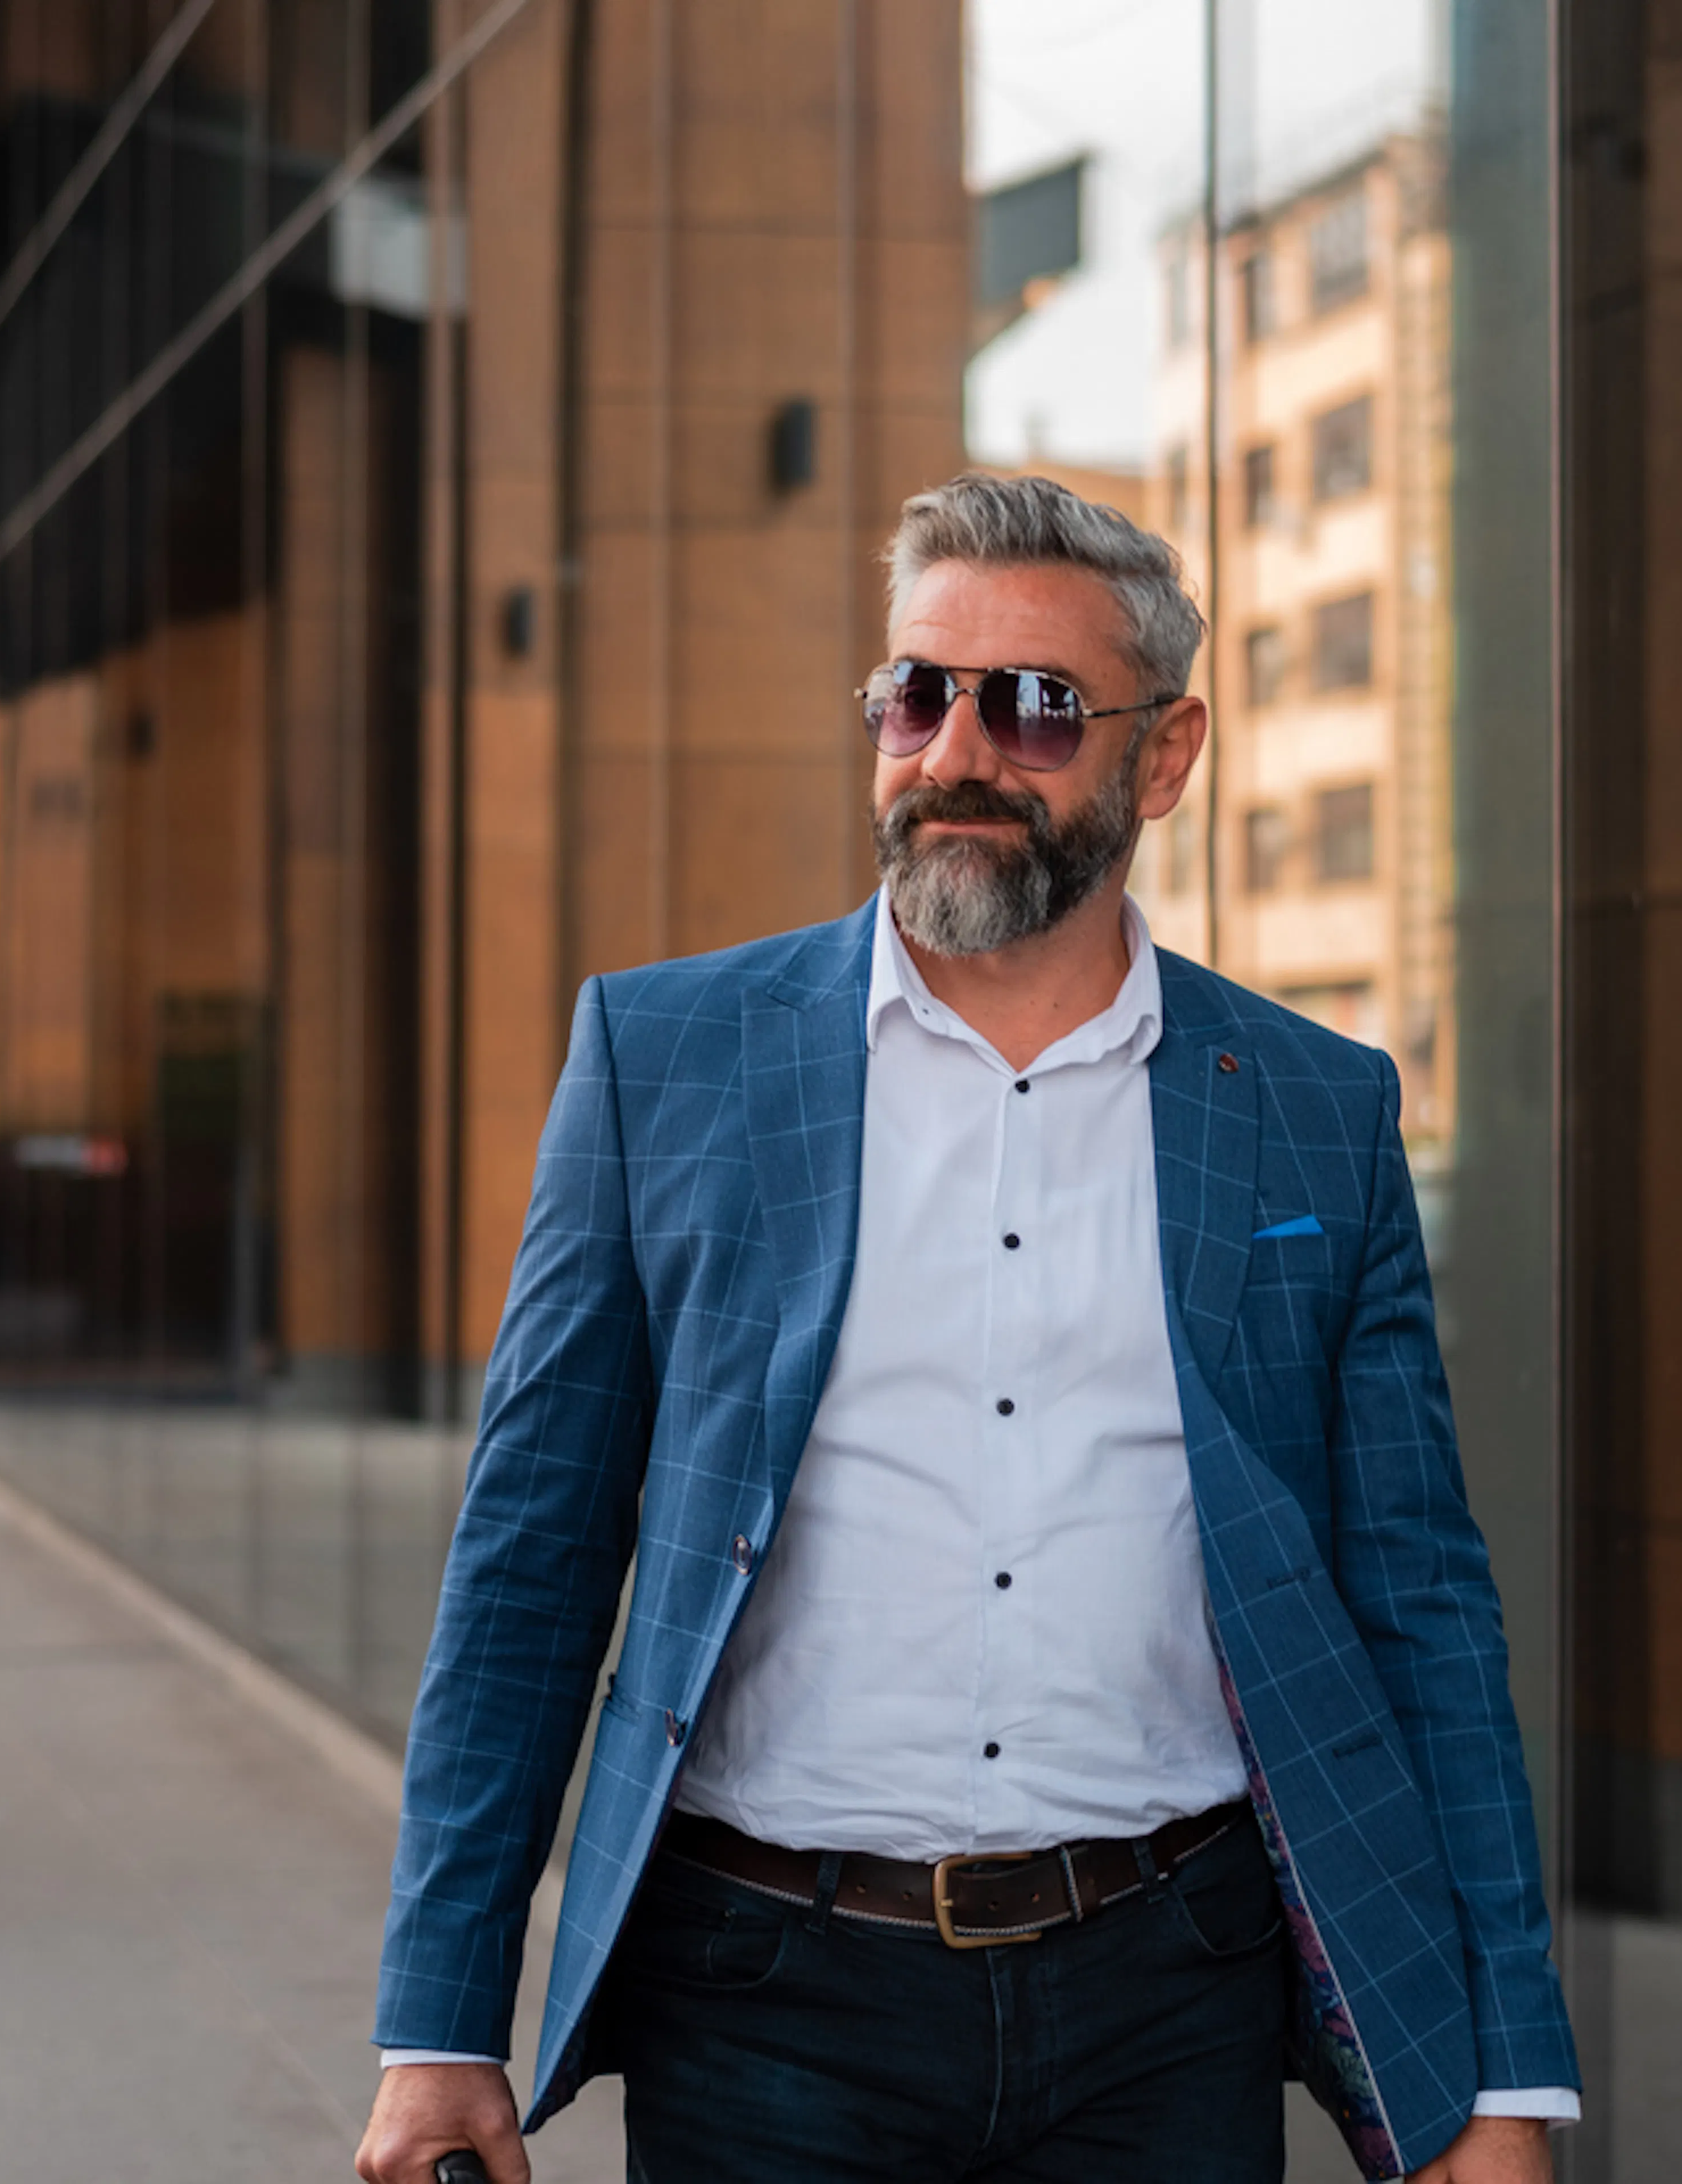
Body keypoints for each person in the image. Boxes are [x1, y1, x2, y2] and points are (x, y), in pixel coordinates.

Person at [355, 474, 1580, 2184]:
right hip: (766, 2000)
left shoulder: (1312, 1113)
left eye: (1036, 708)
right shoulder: (670, 1062)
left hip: (1172, 2004)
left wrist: (1501, 2075)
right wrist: (441, 2030)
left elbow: (1422, 1607)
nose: (955, 754)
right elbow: (529, 1561)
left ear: (1166, 757)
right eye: (919, 694)